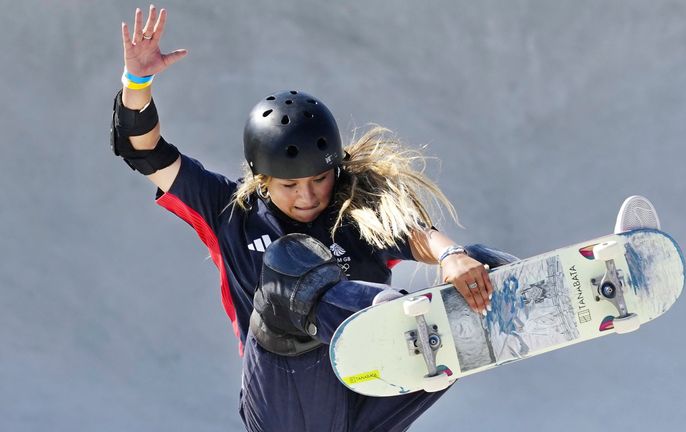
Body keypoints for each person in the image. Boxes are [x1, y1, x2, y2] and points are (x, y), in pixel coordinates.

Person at [112, 6, 521, 432]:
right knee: (290, 263)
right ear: (262, 178)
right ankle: (385, 317)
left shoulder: (357, 214)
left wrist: (454, 255)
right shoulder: (228, 209)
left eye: (320, 179)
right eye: (289, 186)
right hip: (284, 405)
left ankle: (494, 303)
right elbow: (144, 151)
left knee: (474, 270)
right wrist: (137, 82)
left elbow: (417, 235)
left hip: (366, 398)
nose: (307, 197)